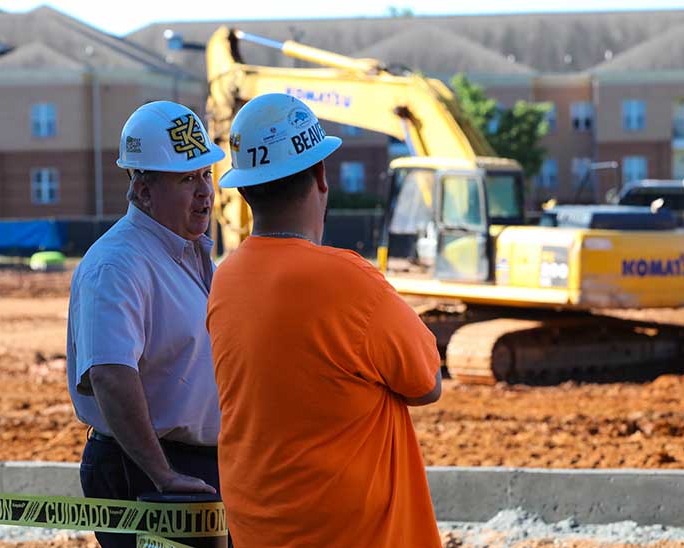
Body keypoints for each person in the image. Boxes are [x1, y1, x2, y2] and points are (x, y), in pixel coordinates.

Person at [206, 93, 443, 548]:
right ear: (320, 174)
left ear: (245, 189)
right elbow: (427, 383)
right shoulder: (349, 280)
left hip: (258, 531)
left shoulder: (226, 281)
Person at [66, 101, 225, 548]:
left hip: (191, 466)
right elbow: (110, 376)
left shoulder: (188, 253)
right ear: (142, 188)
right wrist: (163, 476)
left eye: (205, 175)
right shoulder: (118, 265)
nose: (204, 192)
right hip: (144, 467)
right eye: (185, 179)